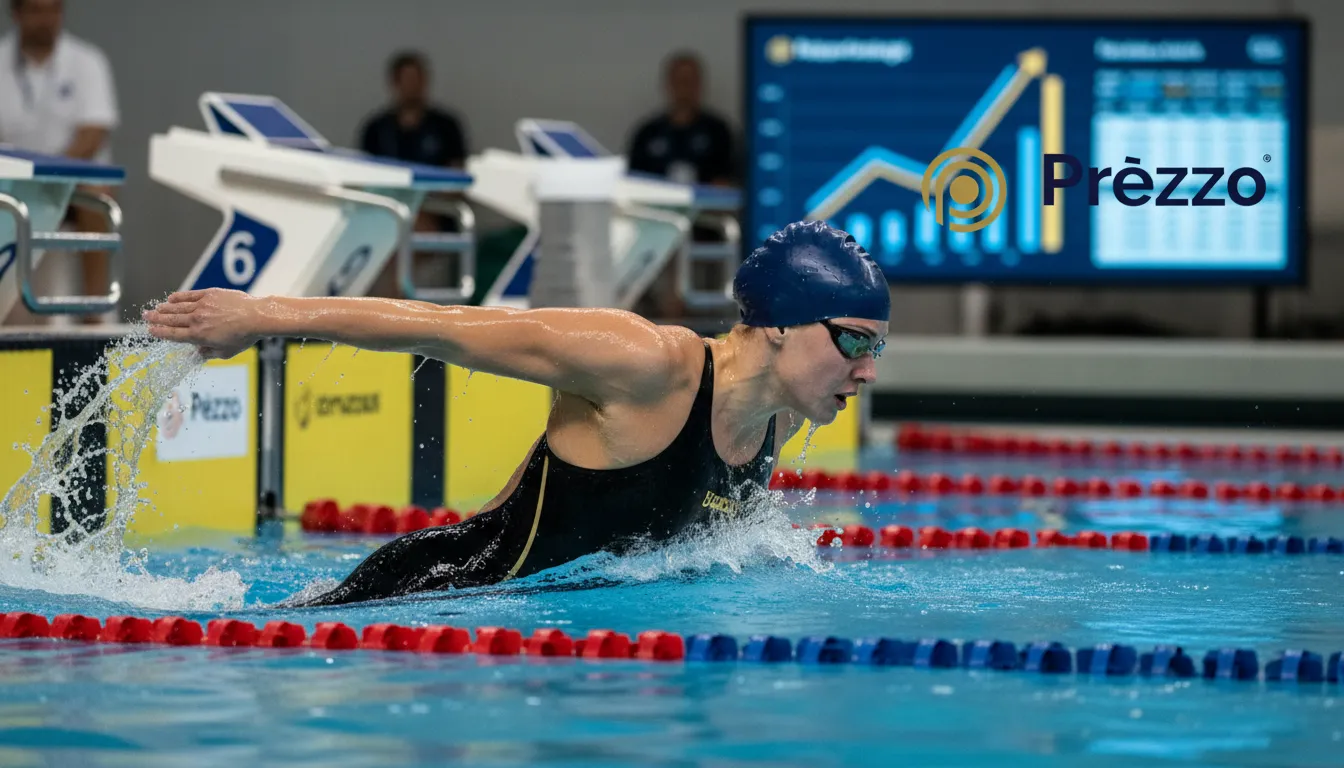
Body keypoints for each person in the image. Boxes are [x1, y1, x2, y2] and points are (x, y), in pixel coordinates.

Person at [143, 221, 890, 606]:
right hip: (429, 601)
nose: (868, 367)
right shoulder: (646, 363)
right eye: (854, 339)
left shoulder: (777, 421)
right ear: (782, 325)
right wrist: (260, 314)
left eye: (877, 346)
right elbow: (442, 327)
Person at [0, 0, 119, 326]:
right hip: (11, 183)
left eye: (53, 10)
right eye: (36, 11)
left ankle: (94, 311)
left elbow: (93, 133)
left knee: (99, 196)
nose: (46, 20)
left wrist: (52, 172)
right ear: (17, 14)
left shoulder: (87, 61)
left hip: (70, 182)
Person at [626, 51, 735, 186]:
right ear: (668, 84)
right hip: (656, 205)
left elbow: (728, 181)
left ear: (700, 85)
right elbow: (633, 181)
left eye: (690, 81)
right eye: (679, 81)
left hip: (705, 205)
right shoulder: (647, 133)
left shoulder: (719, 131)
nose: (685, 88)